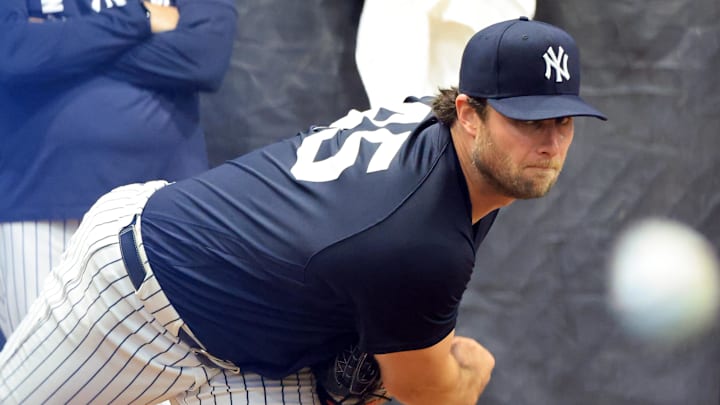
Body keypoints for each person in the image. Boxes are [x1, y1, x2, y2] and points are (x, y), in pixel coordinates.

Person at [0, 17, 606, 404]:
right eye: (525, 119)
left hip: (255, 356)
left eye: (561, 120)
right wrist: (469, 368)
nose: (549, 142)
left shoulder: (443, 126)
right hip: (134, 293)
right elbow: (429, 392)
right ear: (470, 112)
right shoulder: (422, 238)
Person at [0, 0, 238, 347]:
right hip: (38, 198)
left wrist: (62, 50)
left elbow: (205, 57)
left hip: (160, 206)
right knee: (41, 379)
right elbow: (12, 50)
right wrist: (138, 18)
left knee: (165, 379)